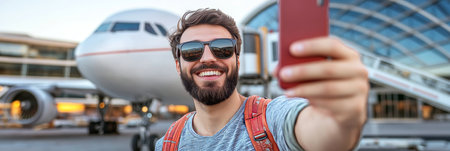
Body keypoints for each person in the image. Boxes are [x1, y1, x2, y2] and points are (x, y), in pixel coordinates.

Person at [155, 8, 368, 151]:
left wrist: (342, 121)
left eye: (223, 49)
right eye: (192, 51)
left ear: (237, 60)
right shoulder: (167, 145)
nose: (208, 58)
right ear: (178, 64)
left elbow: (323, 134)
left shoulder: (272, 119)